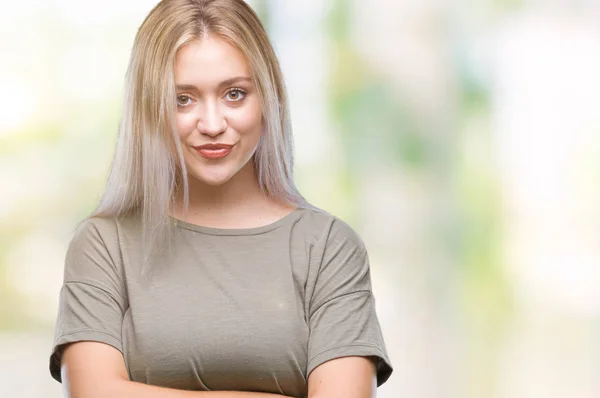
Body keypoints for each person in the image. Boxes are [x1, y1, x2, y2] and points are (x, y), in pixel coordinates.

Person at [48, 0, 393, 397]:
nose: (212, 125)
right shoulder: (104, 244)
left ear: (267, 97)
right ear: (149, 108)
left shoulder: (329, 247)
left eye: (234, 94)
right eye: (183, 99)